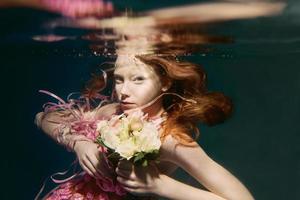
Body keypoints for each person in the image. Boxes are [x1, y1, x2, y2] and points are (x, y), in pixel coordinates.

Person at [35, 53, 255, 200]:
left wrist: (162, 186)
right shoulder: (113, 112)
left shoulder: (170, 138)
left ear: (165, 82)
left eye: (138, 79)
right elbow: (42, 117)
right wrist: (78, 142)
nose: (124, 91)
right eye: (119, 79)